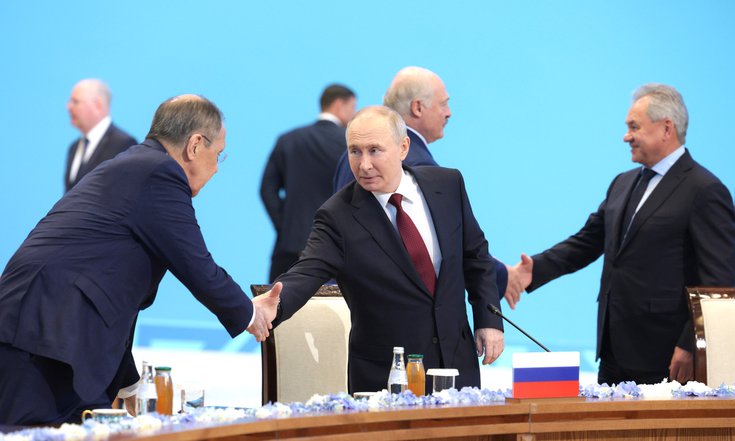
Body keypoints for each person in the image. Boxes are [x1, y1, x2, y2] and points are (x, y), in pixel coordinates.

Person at [0, 95, 279, 426]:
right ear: (194, 145)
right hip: (41, 336)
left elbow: (105, 278)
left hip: (51, 334)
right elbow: (195, 263)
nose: (217, 168)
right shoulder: (160, 173)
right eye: (218, 154)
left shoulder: (136, 165)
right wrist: (250, 313)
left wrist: (130, 382)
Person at [255, 106, 504, 393]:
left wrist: (489, 320)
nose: (364, 165)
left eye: (374, 150)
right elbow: (307, 271)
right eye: (355, 151)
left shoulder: (447, 185)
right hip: (387, 376)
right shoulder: (337, 215)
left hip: (457, 365)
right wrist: (275, 302)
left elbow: (476, 256)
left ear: (403, 147)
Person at [509, 83, 735, 385]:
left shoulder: (705, 190)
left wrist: (692, 343)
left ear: (666, 128)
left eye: (634, 127)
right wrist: (533, 270)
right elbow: (587, 242)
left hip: (667, 356)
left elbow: (719, 279)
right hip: (613, 350)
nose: (626, 136)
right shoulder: (623, 183)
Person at [335, 66, 516, 300]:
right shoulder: (418, 166)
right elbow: (446, 242)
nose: (449, 113)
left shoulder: (351, 155)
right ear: (418, 107)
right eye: (443, 104)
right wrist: (504, 276)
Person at [261, 84, 357, 281]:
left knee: (277, 299)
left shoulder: (288, 140)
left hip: (289, 246)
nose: (354, 115)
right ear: (339, 105)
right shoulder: (350, 145)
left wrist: (285, 226)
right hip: (333, 248)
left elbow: (266, 190)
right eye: (353, 108)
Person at [64, 78, 137, 192]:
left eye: (75, 102)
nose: (68, 107)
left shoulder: (124, 144)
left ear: (97, 105)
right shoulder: (74, 148)